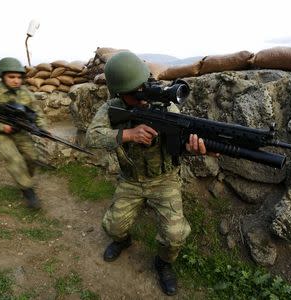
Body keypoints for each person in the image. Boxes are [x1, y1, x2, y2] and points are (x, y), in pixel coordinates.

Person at [86, 51, 216, 296]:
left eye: (143, 87)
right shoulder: (111, 108)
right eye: (134, 92)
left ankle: (163, 263)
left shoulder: (166, 107)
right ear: (119, 94)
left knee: (174, 235)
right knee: (112, 228)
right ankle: (123, 241)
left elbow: (182, 144)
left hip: (164, 180)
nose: (142, 95)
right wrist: (127, 135)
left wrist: (201, 149)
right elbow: (90, 137)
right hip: (131, 180)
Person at [0, 57, 47, 209]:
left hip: (19, 131)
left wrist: (41, 127)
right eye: (11, 77)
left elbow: (36, 112)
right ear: (2, 76)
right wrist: (0, 126)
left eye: (19, 77)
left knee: (32, 157)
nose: (16, 81)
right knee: (14, 159)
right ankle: (28, 191)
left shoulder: (25, 93)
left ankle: (23, 179)